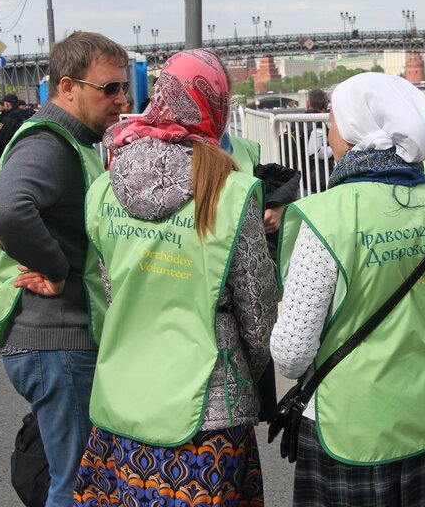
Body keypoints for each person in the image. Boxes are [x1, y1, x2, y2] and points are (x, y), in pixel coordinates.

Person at [73, 49, 277, 505]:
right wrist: (251, 374)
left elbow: (111, 290)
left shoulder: (105, 186)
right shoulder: (230, 190)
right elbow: (258, 314)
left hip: (123, 399)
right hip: (208, 407)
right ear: (216, 105)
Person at [271, 72, 425, 505]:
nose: (330, 134)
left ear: (354, 131)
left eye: (333, 123)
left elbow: (292, 355)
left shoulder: (326, 216)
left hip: (352, 426)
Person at [0, 31, 129, 507]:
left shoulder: (72, 142)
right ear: (67, 87)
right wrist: (55, 269)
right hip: (57, 340)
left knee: (81, 480)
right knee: (79, 486)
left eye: (124, 88)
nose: (123, 100)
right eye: (110, 88)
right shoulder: (49, 144)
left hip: (58, 343)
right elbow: (3, 207)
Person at [0, 94, 34, 158]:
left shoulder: (8, 118)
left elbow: (1, 138)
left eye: (4, 104)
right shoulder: (25, 114)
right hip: (28, 149)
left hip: (11, 153)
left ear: (7, 104)